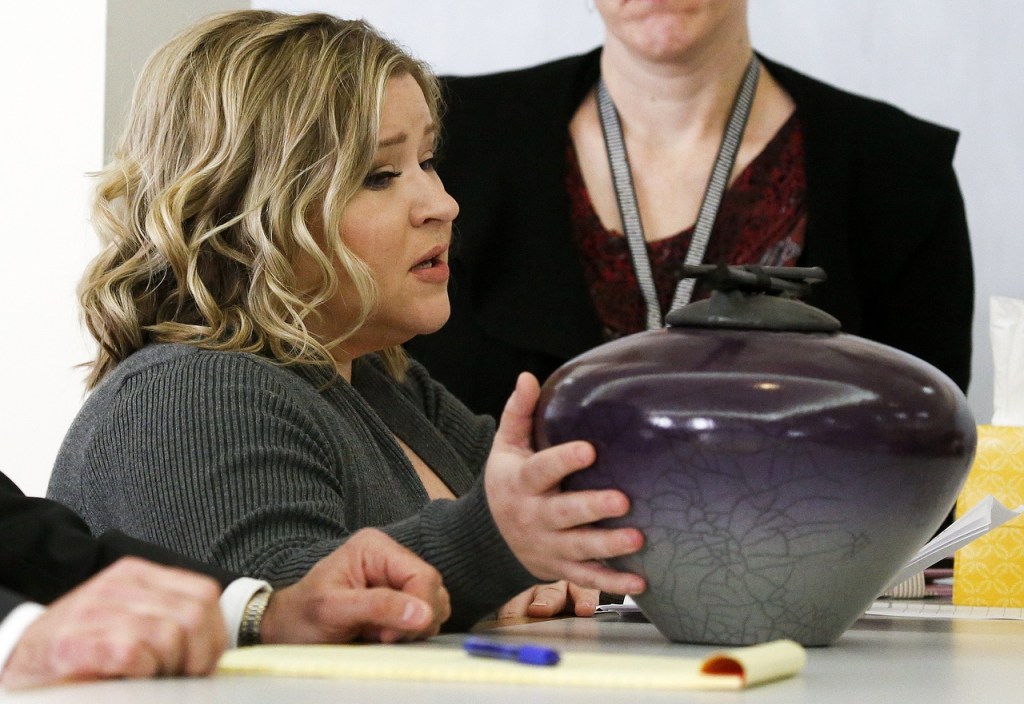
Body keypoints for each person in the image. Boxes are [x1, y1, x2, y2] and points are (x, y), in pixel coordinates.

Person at [46, 10, 645, 632]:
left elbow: (544, 530)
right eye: (380, 175)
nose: (443, 204)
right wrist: (504, 550)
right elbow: (290, 609)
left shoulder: (388, 386)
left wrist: (554, 561)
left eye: (428, 161)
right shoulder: (190, 391)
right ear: (248, 211)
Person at [405, 0, 975, 420]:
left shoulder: (898, 172)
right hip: (492, 578)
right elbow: (370, 409)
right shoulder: (440, 143)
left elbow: (930, 456)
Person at [1, 470, 449, 689]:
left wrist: (266, 614)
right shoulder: (197, 389)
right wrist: (15, 638)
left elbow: (27, 538)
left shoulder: (394, 388)